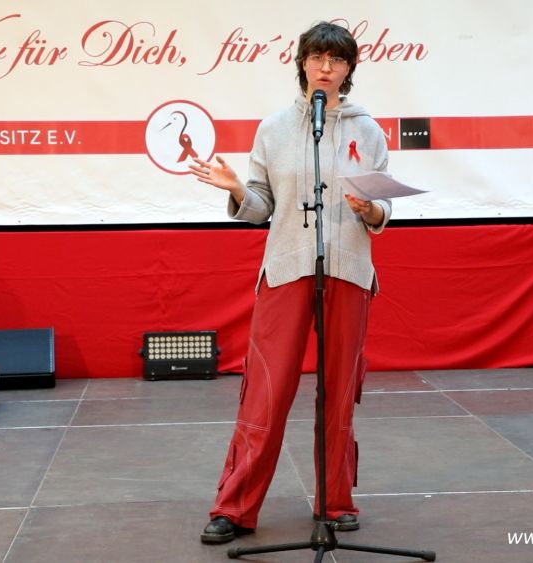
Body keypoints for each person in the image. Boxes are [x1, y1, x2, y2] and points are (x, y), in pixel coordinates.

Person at [190, 21, 391, 545]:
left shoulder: (368, 130)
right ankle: (234, 506)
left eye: (337, 60)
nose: (326, 67)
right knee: (266, 390)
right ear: (302, 63)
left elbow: (381, 208)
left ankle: (335, 501)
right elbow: (261, 207)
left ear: (349, 69)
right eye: (317, 57)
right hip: (285, 268)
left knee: (339, 391)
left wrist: (370, 209)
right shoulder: (273, 128)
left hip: (348, 269)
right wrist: (238, 190)